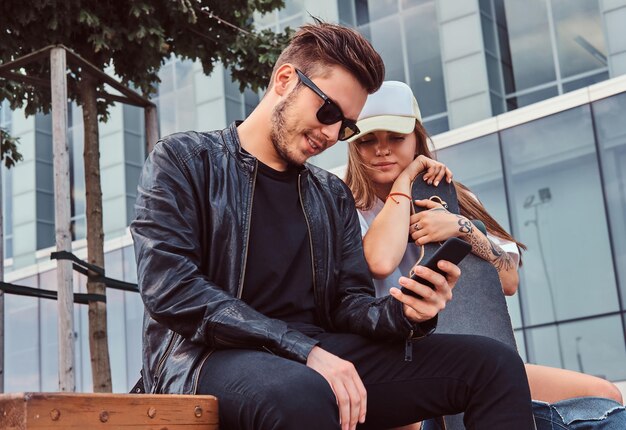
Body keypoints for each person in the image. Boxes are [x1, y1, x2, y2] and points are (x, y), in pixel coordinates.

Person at [131, 21, 536, 430]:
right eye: (327, 111)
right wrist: (303, 349)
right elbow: (171, 289)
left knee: (493, 365)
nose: (329, 134)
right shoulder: (184, 161)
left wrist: (407, 313)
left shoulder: (329, 194)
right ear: (286, 79)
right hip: (204, 357)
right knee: (302, 393)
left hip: (316, 353)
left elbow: (350, 305)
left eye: (344, 126)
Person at [344, 80, 626, 429]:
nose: (381, 150)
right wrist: (405, 182)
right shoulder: (346, 207)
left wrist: (462, 227)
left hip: (472, 352)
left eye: (396, 138)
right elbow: (380, 261)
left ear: (417, 137)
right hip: (398, 363)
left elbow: (509, 279)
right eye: (367, 140)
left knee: (604, 397)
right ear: (352, 147)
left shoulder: (454, 197)